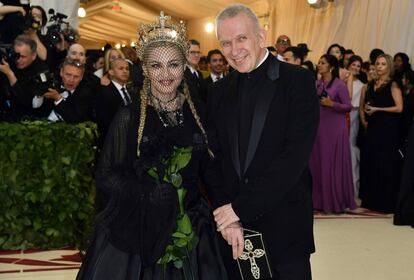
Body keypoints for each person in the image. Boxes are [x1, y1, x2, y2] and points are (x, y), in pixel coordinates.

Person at [76, 12, 228, 280]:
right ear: (145, 70)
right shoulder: (129, 116)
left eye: (174, 65)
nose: (166, 74)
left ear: (184, 67)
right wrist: (146, 193)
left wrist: (229, 210)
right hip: (139, 226)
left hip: (193, 225)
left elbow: (211, 168)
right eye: (157, 66)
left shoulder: (199, 113)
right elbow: (106, 174)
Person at [207, 4, 319, 280]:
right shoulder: (217, 92)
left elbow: (294, 158)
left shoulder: (298, 80)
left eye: (241, 39)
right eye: (226, 43)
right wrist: (227, 216)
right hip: (234, 232)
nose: (234, 50)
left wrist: (238, 209)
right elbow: (213, 158)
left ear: (261, 37)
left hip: (285, 225)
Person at [309, 54, 356, 213]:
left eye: (323, 63)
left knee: (331, 163)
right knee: (318, 162)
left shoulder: (339, 85)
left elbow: (348, 106)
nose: (319, 65)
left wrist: (331, 103)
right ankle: (319, 201)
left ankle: (334, 202)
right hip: (319, 127)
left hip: (335, 128)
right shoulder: (317, 83)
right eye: (319, 62)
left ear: (331, 67)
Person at [359, 54, 403, 213]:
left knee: (386, 163)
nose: (379, 66)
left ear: (389, 66)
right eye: (377, 63)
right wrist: (364, 118)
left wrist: (378, 110)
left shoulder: (393, 84)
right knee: (371, 161)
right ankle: (371, 200)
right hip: (373, 127)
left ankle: (386, 202)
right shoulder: (370, 85)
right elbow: (364, 105)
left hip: (388, 128)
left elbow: (399, 108)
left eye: (383, 64)